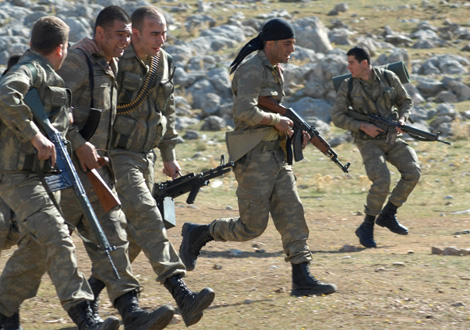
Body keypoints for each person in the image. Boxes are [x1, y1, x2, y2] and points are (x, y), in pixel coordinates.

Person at [73, 6, 215, 327]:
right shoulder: (115, 59)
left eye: (164, 33)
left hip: (146, 155)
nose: (161, 40)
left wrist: (169, 153)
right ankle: (181, 292)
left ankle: (90, 296)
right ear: (134, 33)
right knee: (148, 217)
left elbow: (168, 108)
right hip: (118, 156)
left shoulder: (162, 61)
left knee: (137, 234)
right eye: (154, 33)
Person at [179, 18, 337, 297]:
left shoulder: (275, 69)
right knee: (251, 227)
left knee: (293, 214)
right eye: (287, 44)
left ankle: (302, 278)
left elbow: (273, 118)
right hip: (253, 157)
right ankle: (199, 233)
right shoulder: (252, 69)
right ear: (270, 43)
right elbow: (244, 112)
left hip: (276, 155)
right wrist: (277, 120)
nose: (292, 49)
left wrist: (293, 135)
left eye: (293, 44)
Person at [57, 6, 174, 329]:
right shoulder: (82, 61)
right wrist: (79, 143)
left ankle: (130, 311)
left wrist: (169, 152)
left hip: (102, 169)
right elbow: (51, 106)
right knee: (41, 248)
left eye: (127, 34)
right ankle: (6, 310)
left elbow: (166, 109)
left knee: (114, 237)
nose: (125, 41)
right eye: (120, 34)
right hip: (68, 171)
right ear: (100, 34)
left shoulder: (125, 63)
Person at [0, 16, 120, 330]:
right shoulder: (30, 69)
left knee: (37, 248)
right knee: (58, 237)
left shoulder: (47, 74)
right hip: (20, 176)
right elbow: (6, 95)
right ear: (62, 48)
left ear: (31, 42)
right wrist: (34, 136)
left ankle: (3, 310)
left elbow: (59, 130)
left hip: (44, 177)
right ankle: (85, 316)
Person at [331, 46, 421, 248]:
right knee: (382, 179)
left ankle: (388, 214)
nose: (348, 67)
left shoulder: (388, 77)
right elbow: (337, 117)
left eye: (351, 62)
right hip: (367, 140)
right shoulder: (348, 86)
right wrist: (362, 126)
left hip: (391, 136)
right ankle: (367, 225)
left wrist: (402, 119)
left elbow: (405, 101)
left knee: (413, 172)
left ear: (364, 63)